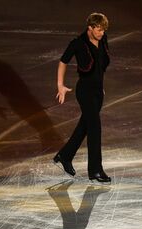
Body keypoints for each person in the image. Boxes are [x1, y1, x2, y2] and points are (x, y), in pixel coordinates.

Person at [52, 13, 111, 183]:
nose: (101, 33)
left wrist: (101, 87)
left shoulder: (103, 39)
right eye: (98, 30)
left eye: (103, 30)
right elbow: (63, 61)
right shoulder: (78, 43)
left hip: (98, 92)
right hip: (85, 92)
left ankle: (65, 155)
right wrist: (60, 85)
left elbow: (100, 66)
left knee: (85, 126)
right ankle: (95, 170)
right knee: (95, 128)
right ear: (90, 28)